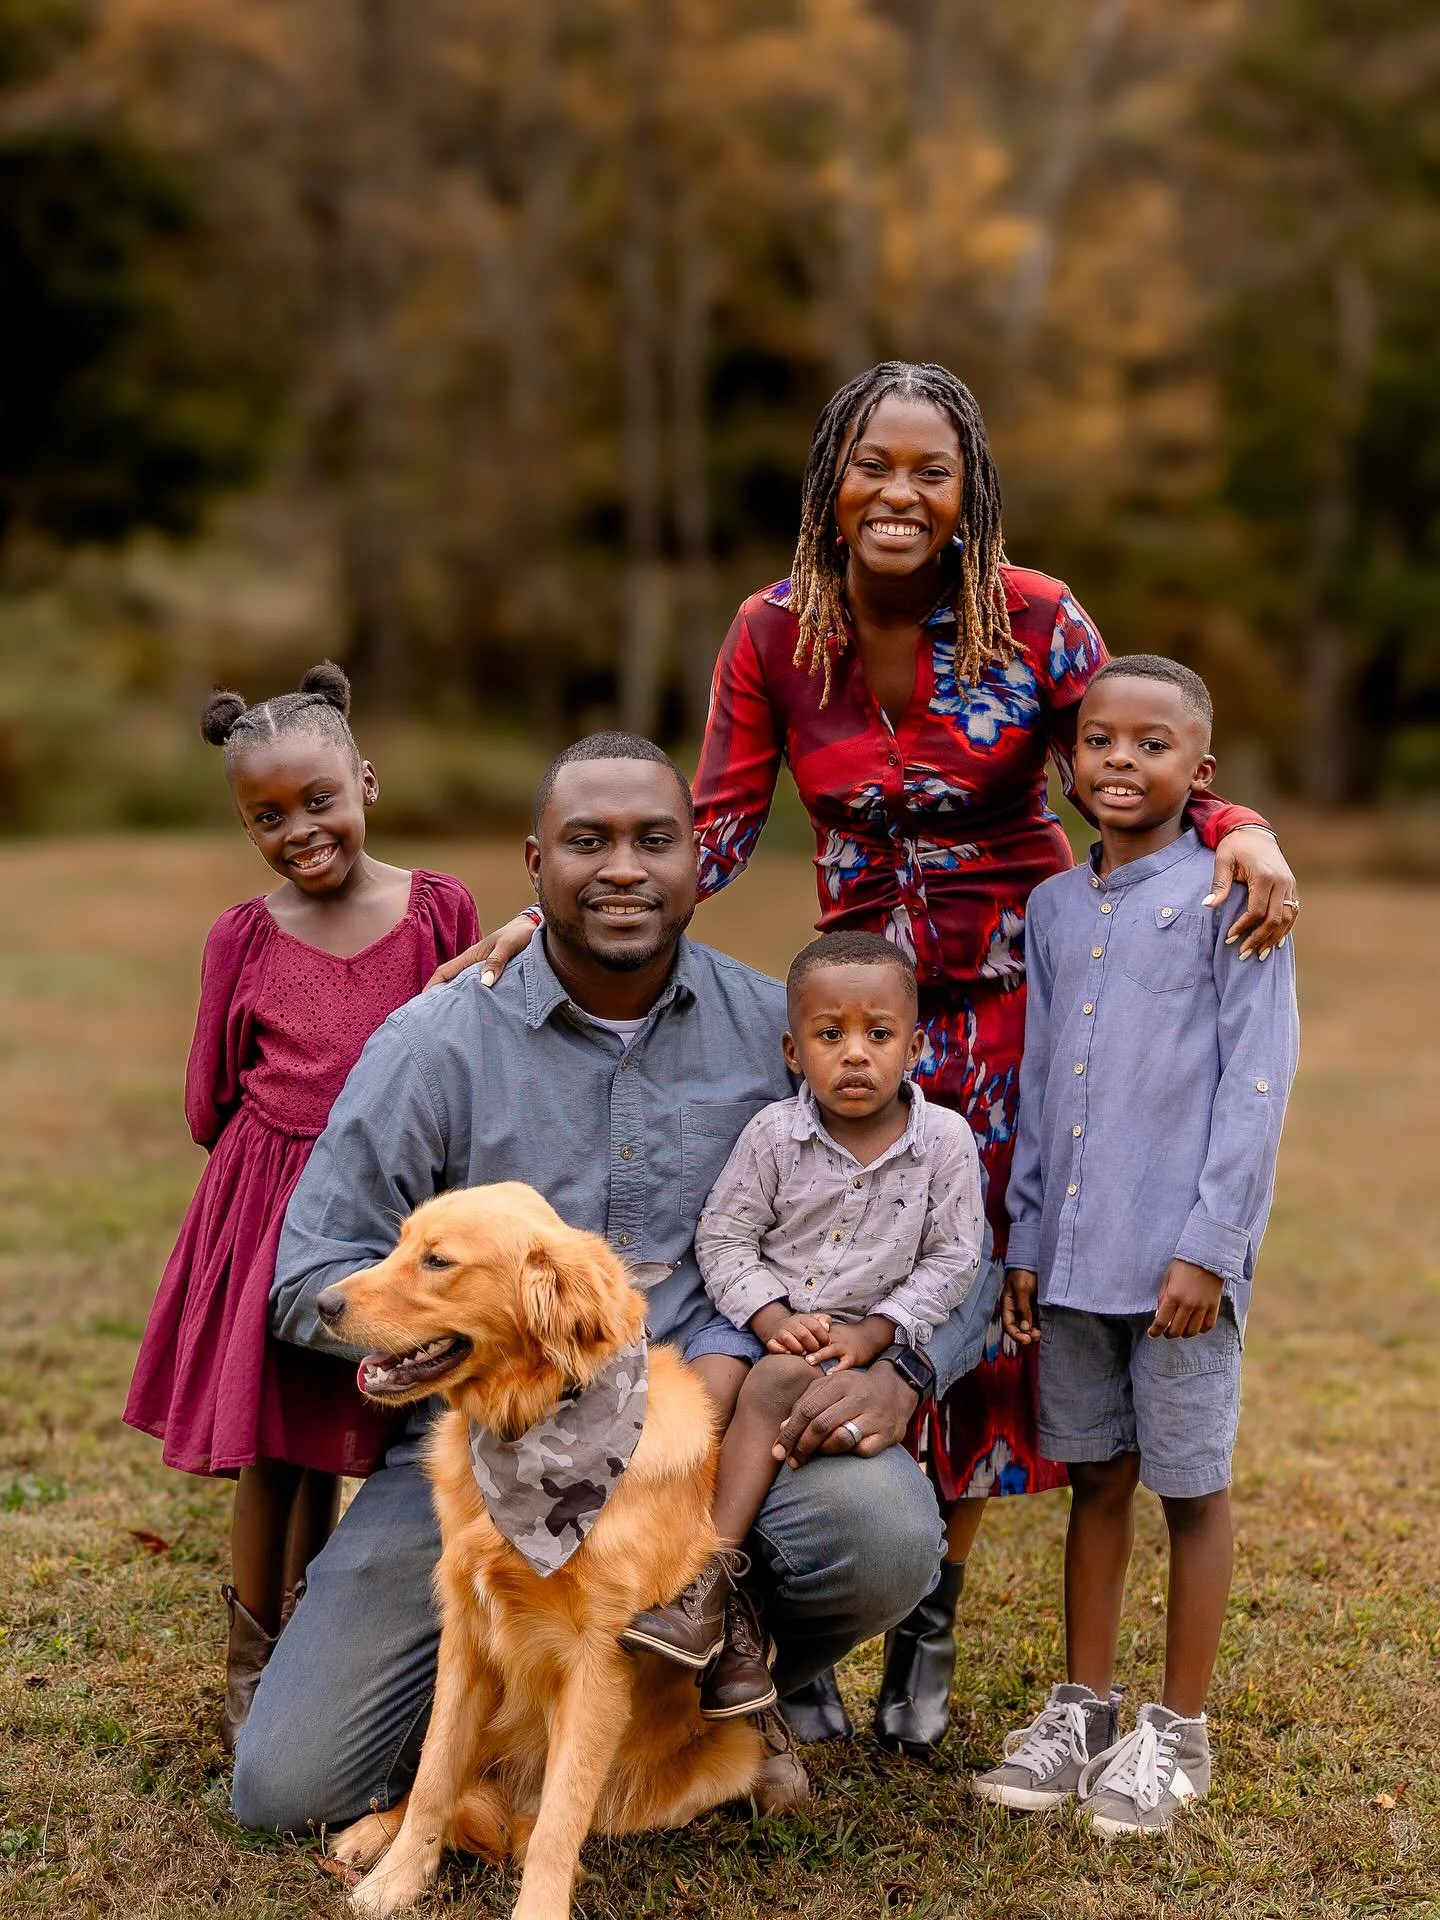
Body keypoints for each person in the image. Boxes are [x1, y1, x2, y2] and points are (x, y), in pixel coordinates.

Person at [429, 361, 1300, 1752]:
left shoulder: (1036, 617)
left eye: (930, 471)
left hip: (1015, 1002)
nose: (900, 493)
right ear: (831, 481)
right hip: (861, 1011)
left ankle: (930, 1610)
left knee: (972, 1296)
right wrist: (563, 910)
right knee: (841, 1277)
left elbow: (1135, 752)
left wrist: (1240, 827)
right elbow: (713, 825)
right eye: (873, 466)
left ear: (968, 494)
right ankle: (828, 1606)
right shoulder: (774, 632)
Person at [230, 733, 1000, 1833]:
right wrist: (468, 1332)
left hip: (712, 1444)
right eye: (587, 842)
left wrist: (906, 1372)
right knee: (289, 1790)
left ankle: (710, 1677)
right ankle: (516, 1733)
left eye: (655, 840)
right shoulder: (437, 1044)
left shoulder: (787, 1034)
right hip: (489, 1457)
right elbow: (311, 1271)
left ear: (699, 858)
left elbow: (954, 1234)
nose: (624, 868)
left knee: (881, 1533)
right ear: (534, 863)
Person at [123, 664, 480, 1752]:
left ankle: (323, 1634)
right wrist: (274, 1163)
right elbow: (207, 1099)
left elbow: (466, 1053)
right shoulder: (242, 936)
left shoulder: (439, 911)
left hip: (392, 1212)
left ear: (365, 782)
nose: (300, 832)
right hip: (269, 1205)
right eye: (267, 817)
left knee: (341, 1433)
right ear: (246, 825)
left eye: (319, 801)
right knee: (272, 1449)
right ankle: (253, 1660)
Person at [970, 656, 1299, 1834]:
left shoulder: (1233, 894)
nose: (1121, 760)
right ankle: (1084, 1710)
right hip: (1073, 1259)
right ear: (1068, 763)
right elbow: (1039, 1076)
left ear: (1201, 771)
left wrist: (1212, 1245)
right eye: (1100, 740)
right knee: (1096, 1481)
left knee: (1190, 1488)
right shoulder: (1054, 909)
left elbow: (1257, 1081)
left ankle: (1177, 1732)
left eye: (1152, 745)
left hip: (1178, 1268)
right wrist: (1025, 1235)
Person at [621, 930, 985, 1720]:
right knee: (700, 1394)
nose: (854, 1054)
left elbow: (956, 1258)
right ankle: (662, 1569)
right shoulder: (774, 1136)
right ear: (794, 1051)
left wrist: (878, 1334)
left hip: (855, 1345)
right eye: (829, 1035)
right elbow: (724, 1236)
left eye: (878, 1035)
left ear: (915, 1047)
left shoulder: (944, 1144)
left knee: (779, 1386)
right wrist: (770, 1314)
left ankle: (708, 1584)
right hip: (757, 1320)